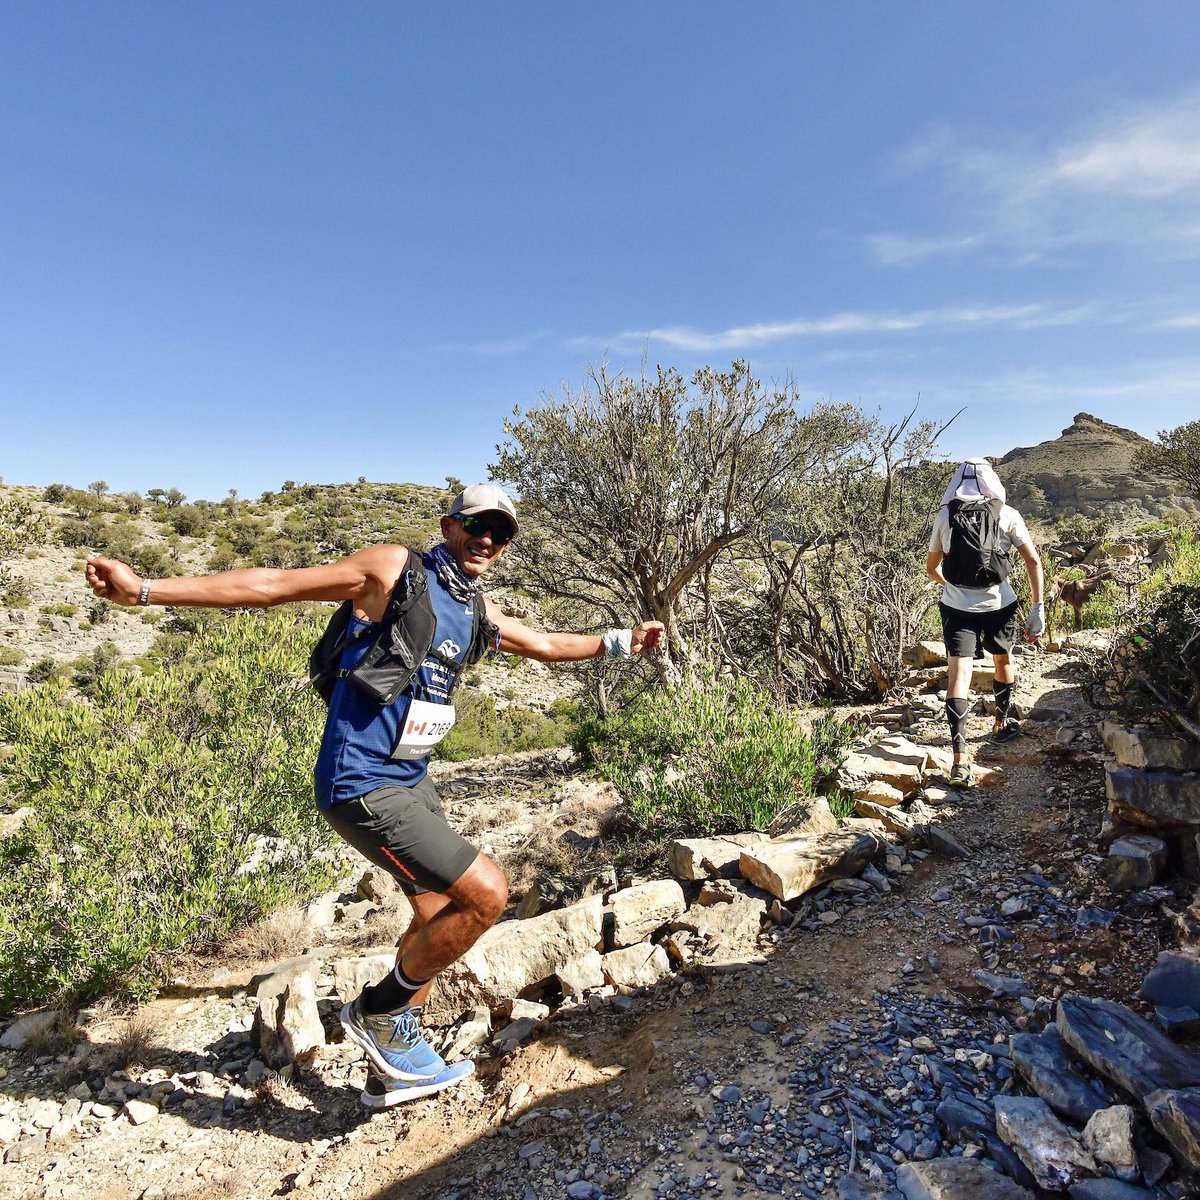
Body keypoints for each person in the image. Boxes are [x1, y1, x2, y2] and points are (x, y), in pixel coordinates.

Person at [85, 483, 664, 1107]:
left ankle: (394, 1065)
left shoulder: (473, 609)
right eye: (476, 526)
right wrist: (144, 590)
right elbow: (273, 584)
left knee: (435, 913)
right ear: (449, 526)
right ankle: (380, 1011)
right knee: (487, 892)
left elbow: (547, 645)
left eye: (500, 533)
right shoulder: (394, 569)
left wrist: (620, 642)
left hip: (411, 777)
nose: (487, 540)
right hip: (360, 780)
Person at [924, 459, 1043, 789]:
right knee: (1002, 660)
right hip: (999, 604)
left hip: (956, 607)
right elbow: (1032, 560)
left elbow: (932, 566)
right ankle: (1001, 723)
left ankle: (960, 762)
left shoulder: (946, 515)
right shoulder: (1008, 514)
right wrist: (1038, 608)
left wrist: (950, 586)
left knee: (958, 676)